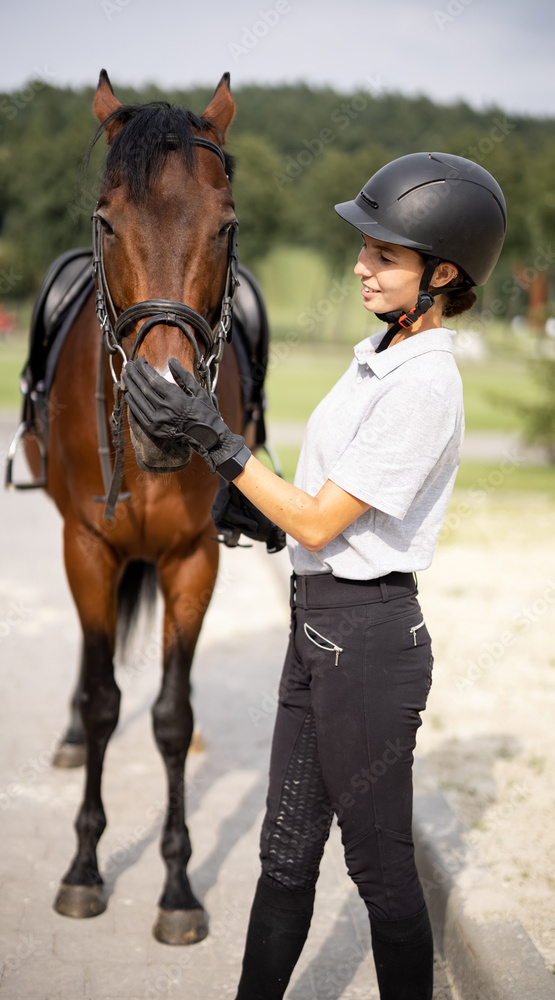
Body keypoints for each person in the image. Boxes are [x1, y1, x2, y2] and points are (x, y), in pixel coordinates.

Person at [122, 152, 507, 1000]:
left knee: (379, 870)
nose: (361, 264)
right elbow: (317, 503)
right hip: (318, 629)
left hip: (368, 647)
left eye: (384, 253)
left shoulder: (425, 384)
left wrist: (217, 442)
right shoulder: (377, 356)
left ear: (440, 275)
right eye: (364, 246)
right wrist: (253, 508)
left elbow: (324, 521)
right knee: (285, 852)